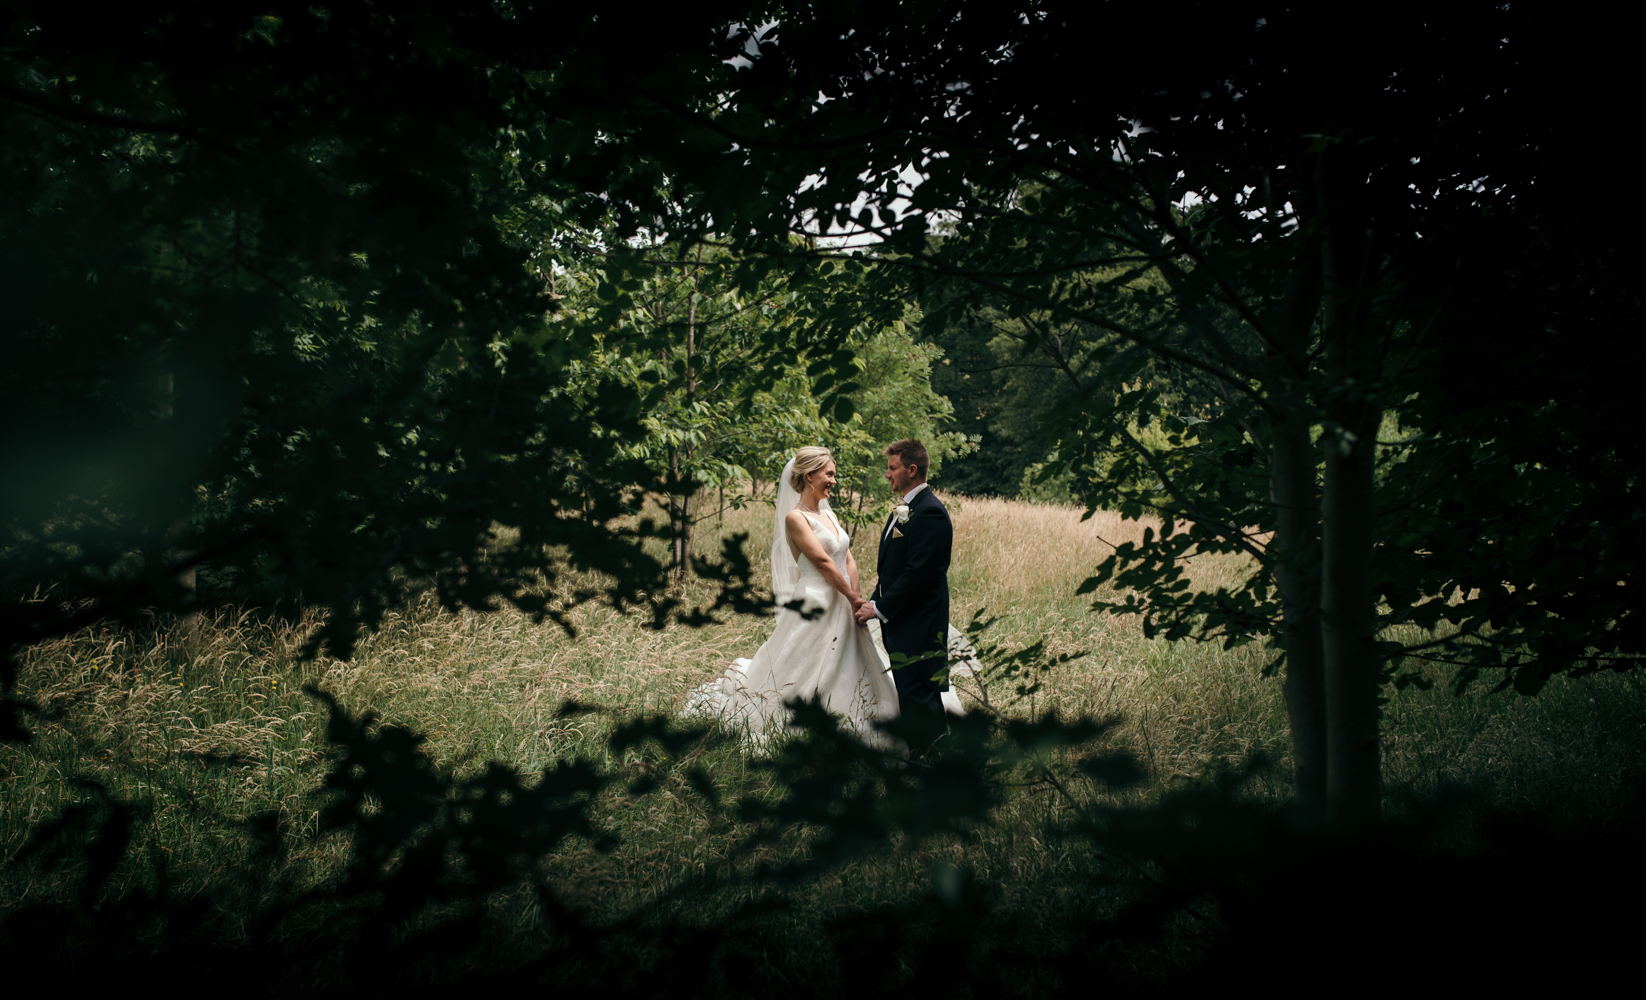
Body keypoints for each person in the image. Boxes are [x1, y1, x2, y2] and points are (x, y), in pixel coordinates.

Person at [685, 447, 900, 748]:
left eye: (833, 475)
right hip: (816, 599)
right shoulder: (795, 518)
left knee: (853, 659)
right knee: (804, 660)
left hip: (844, 597)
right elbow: (824, 563)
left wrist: (857, 596)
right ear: (810, 475)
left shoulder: (829, 513)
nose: (833, 481)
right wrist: (852, 597)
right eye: (829, 474)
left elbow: (846, 558)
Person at [854, 439, 954, 749]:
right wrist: (873, 598)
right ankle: (935, 760)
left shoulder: (930, 512)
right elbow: (894, 570)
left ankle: (926, 764)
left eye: (892, 468)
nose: (887, 474)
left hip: (919, 622)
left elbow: (919, 575)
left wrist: (879, 608)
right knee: (916, 694)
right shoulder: (907, 508)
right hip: (905, 620)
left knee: (918, 694)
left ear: (912, 470)